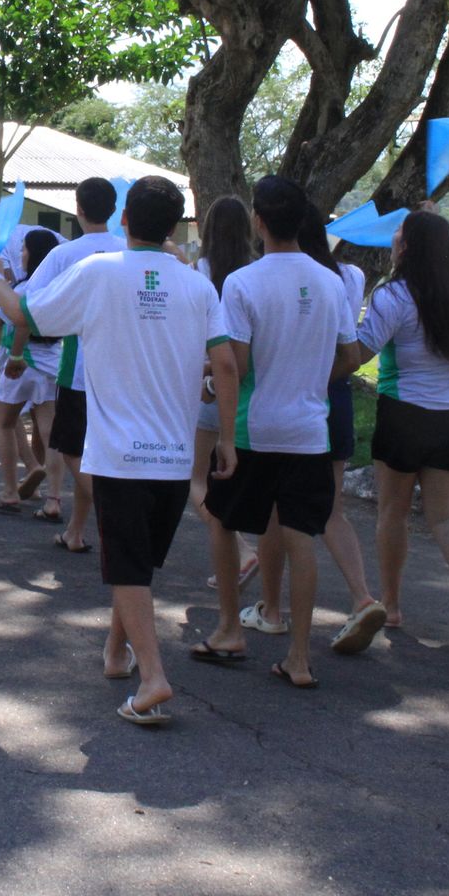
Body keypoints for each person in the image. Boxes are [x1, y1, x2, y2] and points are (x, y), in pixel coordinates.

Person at [0, 176, 236, 725]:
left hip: (120, 454)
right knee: (138, 563)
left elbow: (25, 315)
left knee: (127, 567)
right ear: (174, 227)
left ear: (125, 220)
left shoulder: (98, 273)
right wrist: (226, 440)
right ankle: (117, 652)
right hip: (173, 457)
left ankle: (153, 678)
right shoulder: (198, 287)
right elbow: (225, 364)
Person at [209, 176, 358, 689]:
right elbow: (350, 354)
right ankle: (299, 658)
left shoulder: (243, 282)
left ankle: (230, 628)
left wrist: (220, 416)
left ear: (259, 220)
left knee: (221, 519)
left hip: (256, 427)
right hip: (309, 432)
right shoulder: (331, 281)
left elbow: (238, 363)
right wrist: (312, 378)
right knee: (301, 541)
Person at [241, 213, 388, 657]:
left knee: (274, 513)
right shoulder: (346, 276)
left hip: (286, 403)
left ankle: (271, 609)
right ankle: (362, 596)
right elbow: (350, 352)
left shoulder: (262, 279)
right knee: (330, 509)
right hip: (332, 399)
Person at [356, 210, 449, 646]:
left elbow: (363, 349)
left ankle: (392, 604)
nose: (393, 243)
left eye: (398, 237)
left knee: (392, 512)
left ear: (409, 247)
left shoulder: (392, 295)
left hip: (403, 412)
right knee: (446, 516)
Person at [8, 178, 125, 551]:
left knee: (73, 451)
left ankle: (117, 521)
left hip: (78, 369)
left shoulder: (64, 254)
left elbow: (28, 303)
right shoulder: (126, 252)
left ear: (78, 208)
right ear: (115, 209)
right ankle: (75, 531)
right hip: (121, 371)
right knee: (96, 453)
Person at [188, 195, 257, 652]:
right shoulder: (253, 268)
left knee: (195, 479)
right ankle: (242, 551)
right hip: (245, 394)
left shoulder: (204, 270)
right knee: (228, 480)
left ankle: (241, 551)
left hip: (210, 382)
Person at [0, 227, 63, 515]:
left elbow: (5, 319)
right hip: (52, 364)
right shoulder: (60, 287)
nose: (22, 254)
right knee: (51, 431)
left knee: (4, 423)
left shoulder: (23, 289)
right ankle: (54, 498)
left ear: (33, 253)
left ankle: (10, 491)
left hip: (20, 364)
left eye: (25, 249)